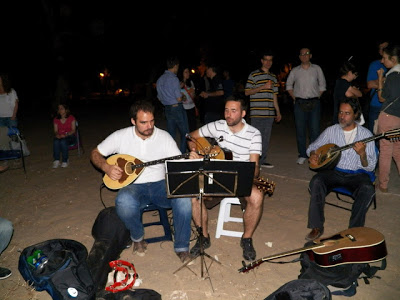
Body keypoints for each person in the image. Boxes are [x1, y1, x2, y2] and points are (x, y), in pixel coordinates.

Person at [90, 100, 194, 263]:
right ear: (133, 121)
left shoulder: (164, 137)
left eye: (152, 121)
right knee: (123, 201)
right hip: (133, 187)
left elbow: (178, 164)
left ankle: (182, 248)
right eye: (144, 122)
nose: (149, 126)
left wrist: (192, 160)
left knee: (184, 199)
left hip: (160, 185)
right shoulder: (120, 136)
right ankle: (137, 237)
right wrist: (106, 167)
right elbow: (95, 153)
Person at [187, 96, 265, 261]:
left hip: (239, 178)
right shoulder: (217, 126)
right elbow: (191, 137)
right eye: (226, 110)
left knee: (257, 196)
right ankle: (204, 237)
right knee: (195, 194)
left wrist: (253, 172)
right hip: (215, 176)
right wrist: (197, 151)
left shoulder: (254, 134)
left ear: (243, 113)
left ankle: (247, 239)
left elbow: (255, 166)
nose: (228, 114)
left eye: (233, 111)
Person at [305, 97, 377, 241]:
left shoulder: (366, 135)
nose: (342, 117)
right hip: (334, 171)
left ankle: (354, 230)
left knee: (368, 189)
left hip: (357, 174)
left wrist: (362, 154)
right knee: (317, 181)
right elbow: (312, 147)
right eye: (340, 112)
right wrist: (313, 155)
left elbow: (370, 166)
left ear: (356, 115)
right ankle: (317, 226)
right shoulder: (331, 130)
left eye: (347, 113)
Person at [286, 47, 326, 165]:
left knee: (314, 130)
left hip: (314, 103)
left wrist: (316, 97)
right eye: (302, 54)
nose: (304, 56)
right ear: (299, 57)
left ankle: (313, 155)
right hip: (299, 103)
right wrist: (296, 98)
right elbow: (288, 86)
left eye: (306, 53)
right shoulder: (295, 71)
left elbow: (322, 85)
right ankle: (302, 154)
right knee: (300, 130)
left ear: (310, 56)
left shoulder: (317, 69)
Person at [245, 50, 282, 168]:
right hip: (257, 113)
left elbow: (274, 95)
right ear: (262, 61)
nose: (268, 62)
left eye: (270, 60)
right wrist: (263, 87)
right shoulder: (254, 75)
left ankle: (262, 161)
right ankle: (253, 162)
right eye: (266, 60)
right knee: (255, 138)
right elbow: (247, 92)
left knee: (266, 138)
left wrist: (278, 111)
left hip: (269, 113)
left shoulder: (273, 77)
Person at [376, 44, 400, 193]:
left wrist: (380, 79)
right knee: (398, 150)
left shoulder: (392, 76)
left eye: (384, 58)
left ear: (393, 58)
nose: (382, 61)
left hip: (387, 116)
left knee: (385, 151)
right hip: (398, 118)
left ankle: (383, 184)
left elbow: (381, 97)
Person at [156, 56, 190, 153]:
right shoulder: (174, 79)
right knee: (185, 133)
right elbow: (179, 98)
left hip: (167, 108)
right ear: (175, 66)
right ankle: (182, 154)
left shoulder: (160, 80)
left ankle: (171, 154)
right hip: (177, 108)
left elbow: (159, 97)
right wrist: (182, 96)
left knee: (171, 134)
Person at [366, 40, 389, 132]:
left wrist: (380, 82)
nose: (383, 50)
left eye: (386, 47)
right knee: (374, 134)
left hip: (393, 106)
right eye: (381, 48)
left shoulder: (396, 66)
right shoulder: (375, 64)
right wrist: (384, 79)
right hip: (376, 105)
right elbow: (370, 84)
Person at [53, 103, 76, 168]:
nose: (60, 110)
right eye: (59, 109)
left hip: (70, 136)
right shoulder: (56, 119)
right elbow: (55, 131)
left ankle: (65, 160)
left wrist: (66, 134)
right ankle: (56, 160)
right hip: (60, 136)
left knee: (63, 141)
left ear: (66, 110)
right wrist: (57, 134)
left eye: (62, 108)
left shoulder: (71, 118)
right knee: (56, 141)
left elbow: (73, 130)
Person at [180, 67, 197, 132]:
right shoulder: (179, 83)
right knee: (186, 127)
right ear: (182, 73)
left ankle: (192, 140)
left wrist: (193, 93)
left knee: (193, 126)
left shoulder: (190, 82)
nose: (188, 74)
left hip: (192, 106)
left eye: (188, 72)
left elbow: (194, 95)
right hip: (183, 107)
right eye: (185, 72)